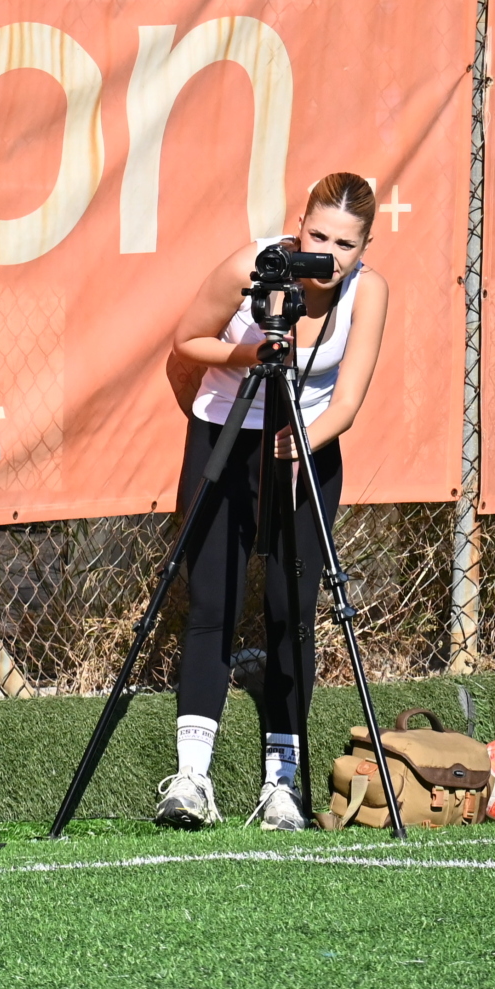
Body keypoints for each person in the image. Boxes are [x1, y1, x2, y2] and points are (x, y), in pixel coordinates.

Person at [153, 172, 389, 831]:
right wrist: (251, 351)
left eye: (345, 244)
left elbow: (348, 398)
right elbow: (187, 339)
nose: (327, 254)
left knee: (292, 612)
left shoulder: (368, 291)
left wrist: (304, 441)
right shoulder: (251, 266)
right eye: (318, 236)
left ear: (364, 246)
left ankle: (281, 785)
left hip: (308, 449)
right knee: (214, 605)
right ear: (299, 224)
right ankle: (191, 780)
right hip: (228, 436)